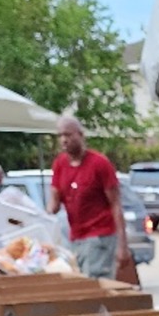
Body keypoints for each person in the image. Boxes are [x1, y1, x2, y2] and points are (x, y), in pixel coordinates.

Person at [47, 116, 126, 279]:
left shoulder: (99, 163)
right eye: (60, 136)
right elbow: (54, 203)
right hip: (76, 237)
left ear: (80, 135)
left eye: (68, 135)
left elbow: (116, 204)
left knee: (95, 283)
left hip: (100, 235)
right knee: (81, 281)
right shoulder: (60, 164)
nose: (64, 140)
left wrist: (122, 245)